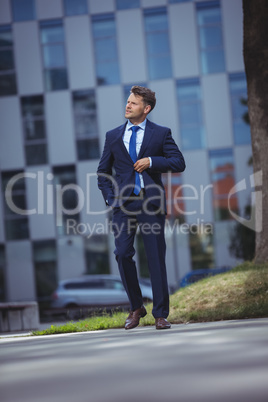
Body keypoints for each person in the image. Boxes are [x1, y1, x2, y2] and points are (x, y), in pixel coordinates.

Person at [97, 86, 185, 330]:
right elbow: (103, 173)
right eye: (127, 102)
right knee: (123, 253)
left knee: (156, 257)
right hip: (123, 205)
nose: (127, 106)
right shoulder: (113, 136)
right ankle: (136, 307)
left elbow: (179, 162)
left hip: (150, 202)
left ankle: (160, 314)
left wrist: (151, 162)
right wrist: (111, 199)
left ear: (146, 109)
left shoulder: (161, 133)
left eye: (133, 103)